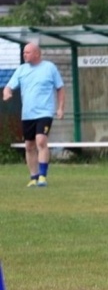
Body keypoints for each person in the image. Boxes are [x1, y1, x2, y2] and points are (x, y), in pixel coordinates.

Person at [2, 42, 65, 187]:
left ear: (37, 53)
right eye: (24, 53)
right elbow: (8, 87)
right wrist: (7, 93)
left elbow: (60, 88)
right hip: (27, 115)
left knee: (41, 141)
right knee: (29, 146)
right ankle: (34, 177)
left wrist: (60, 108)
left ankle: (43, 177)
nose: (25, 55)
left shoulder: (49, 68)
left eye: (27, 52)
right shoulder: (21, 70)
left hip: (44, 113)